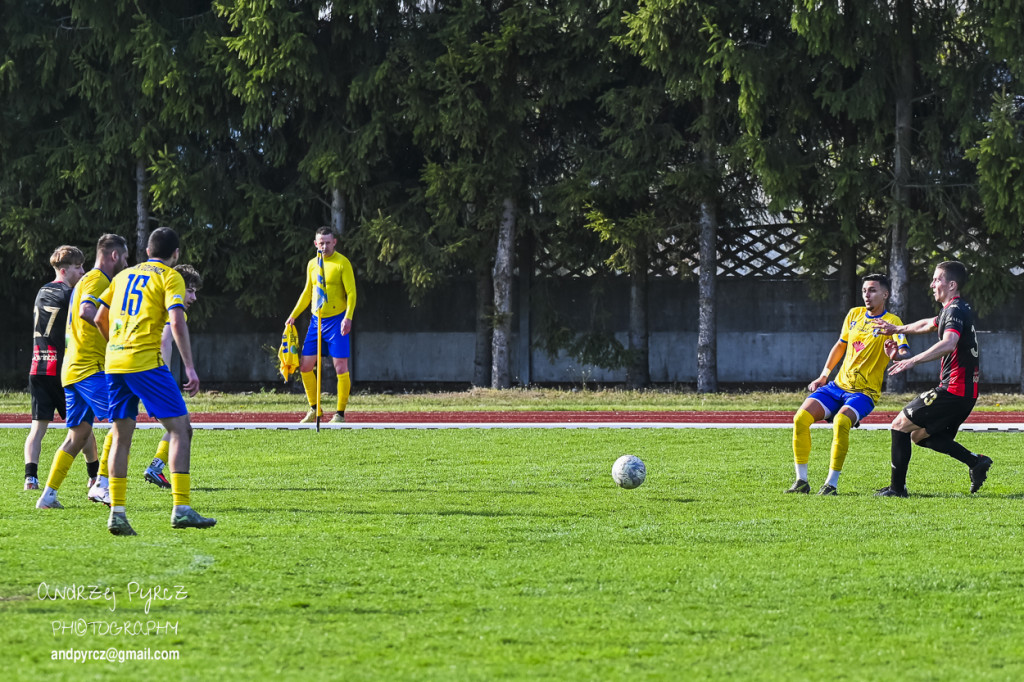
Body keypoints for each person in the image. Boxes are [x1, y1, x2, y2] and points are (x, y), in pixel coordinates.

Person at [94, 227, 215, 535]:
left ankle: (118, 513)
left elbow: (98, 317)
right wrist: (190, 367)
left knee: (121, 435)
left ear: (147, 251)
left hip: (115, 362)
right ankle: (181, 508)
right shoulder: (169, 276)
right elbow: (175, 320)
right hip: (145, 361)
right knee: (181, 428)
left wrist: (116, 345)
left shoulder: (122, 277)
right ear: (176, 254)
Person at [873, 261, 989, 497]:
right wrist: (897, 330)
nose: (932, 284)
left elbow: (948, 343)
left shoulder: (955, 310)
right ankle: (976, 462)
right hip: (964, 392)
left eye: (937, 279)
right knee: (919, 435)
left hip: (954, 389)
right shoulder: (954, 309)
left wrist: (912, 360)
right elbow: (928, 323)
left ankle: (897, 489)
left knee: (898, 425)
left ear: (952, 284)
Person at [785, 274, 909, 495]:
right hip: (837, 386)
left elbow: (903, 352)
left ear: (885, 294)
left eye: (872, 290)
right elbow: (840, 346)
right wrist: (824, 375)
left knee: (841, 421)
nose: (866, 295)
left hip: (864, 392)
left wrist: (896, 356)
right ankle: (801, 482)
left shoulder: (893, 322)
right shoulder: (854, 314)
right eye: (864, 290)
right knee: (800, 418)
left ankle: (830, 484)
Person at [36, 235, 129, 510]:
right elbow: (89, 311)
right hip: (91, 368)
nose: (126, 262)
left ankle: (48, 496)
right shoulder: (98, 279)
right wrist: (116, 336)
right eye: (124, 257)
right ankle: (101, 484)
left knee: (77, 436)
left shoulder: (84, 281)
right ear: (114, 256)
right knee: (122, 419)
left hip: (72, 369)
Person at [23, 246, 86, 491]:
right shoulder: (70, 294)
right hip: (60, 369)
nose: (82, 271)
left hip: (38, 365)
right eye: (78, 267)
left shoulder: (41, 291)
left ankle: (30, 477)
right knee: (82, 426)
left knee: (37, 428)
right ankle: (94, 476)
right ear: (63, 270)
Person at [285, 226, 357, 424]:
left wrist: (348, 317)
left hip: (337, 320)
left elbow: (351, 293)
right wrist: (293, 315)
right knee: (305, 366)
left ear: (334, 242)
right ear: (315, 244)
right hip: (316, 320)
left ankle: (340, 414)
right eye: (321, 242)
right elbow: (308, 292)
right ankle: (314, 409)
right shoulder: (312, 264)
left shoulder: (342, 263)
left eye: (328, 242)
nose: (324, 246)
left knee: (340, 367)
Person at [143, 264, 203, 489]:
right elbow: (164, 339)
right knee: (182, 428)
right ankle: (102, 479)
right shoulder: (172, 309)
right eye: (190, 290)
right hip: (153, 375)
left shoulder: (155, 304)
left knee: (182, 427)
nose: (194, 297)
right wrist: (163, 375)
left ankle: (155, 467)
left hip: (133, 369)